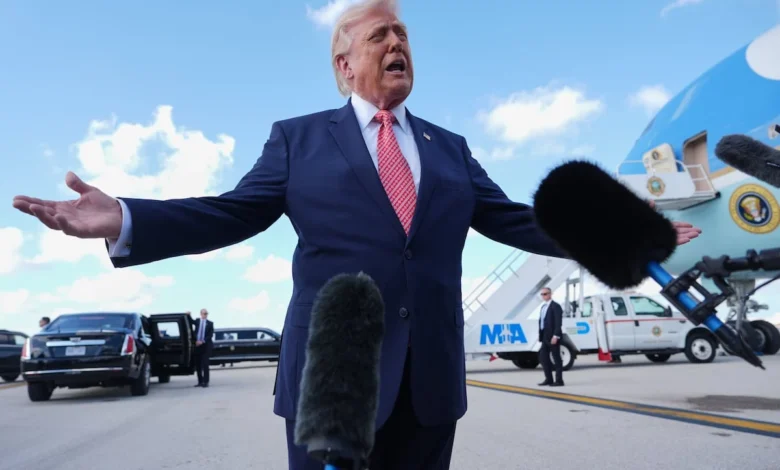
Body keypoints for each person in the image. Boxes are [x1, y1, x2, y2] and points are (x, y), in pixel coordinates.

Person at [10, 0, 701, 467]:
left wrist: (630, 235)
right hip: (332, 383)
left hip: (429, 383)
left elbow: (514, 219)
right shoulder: (298, 140)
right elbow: (234, 212)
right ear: (344, 65)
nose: (397, 43)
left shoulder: (450, 148)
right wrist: (127, 216)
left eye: (403, 35)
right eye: (380, 35)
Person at [537, 287, 564, 387]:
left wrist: (555, 336)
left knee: (556, 358)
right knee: (543, 357)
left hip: (553, 336)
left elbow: (558, 323)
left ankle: (559, 380)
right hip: (545, 336)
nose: (544, 296)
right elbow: (542, 322)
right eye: (542, 294)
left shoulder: (556, 306)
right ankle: (549, 379)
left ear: (550, 294)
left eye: (545, 294)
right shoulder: (543, 307)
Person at [193, 308, 214, 387]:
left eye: (206, 313)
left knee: (205, 364)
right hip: (197, 346)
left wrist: (202, 341)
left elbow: (210, 335)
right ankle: (200, 381)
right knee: (198, 365)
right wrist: (188, 315)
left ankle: (206, 382)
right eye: (204, 313)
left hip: (206, 345)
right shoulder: (197, 321)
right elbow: (190, 321)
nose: (205, 315)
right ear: (201, 314)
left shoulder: (210, 323)